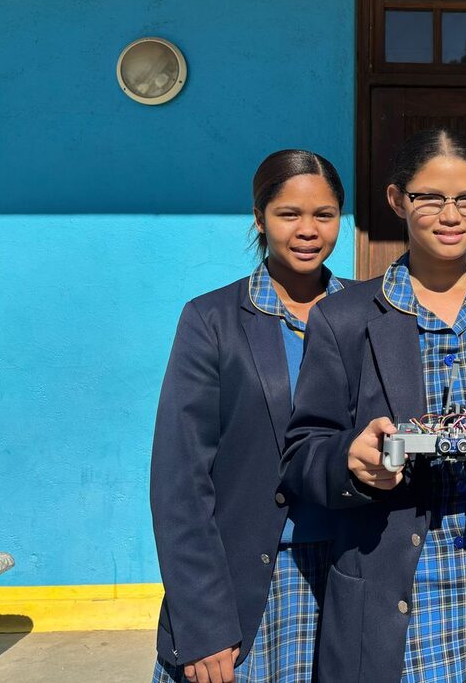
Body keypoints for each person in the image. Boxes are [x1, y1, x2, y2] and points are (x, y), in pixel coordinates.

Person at [280, 128, 466, 682]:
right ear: (398, 200)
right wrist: (354, 460)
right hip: (393, 581)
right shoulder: (344, 317)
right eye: (430, 197)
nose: (451, 214)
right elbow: (304, 451)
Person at [150, 150, 348, 683]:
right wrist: (203, 622)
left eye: (324, 215)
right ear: (259, 219)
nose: (308, 230)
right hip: (245, 590)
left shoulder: (367, 313)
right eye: (289, 214)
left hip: (351, 584)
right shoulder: (212, 320)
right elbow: (180, 482)